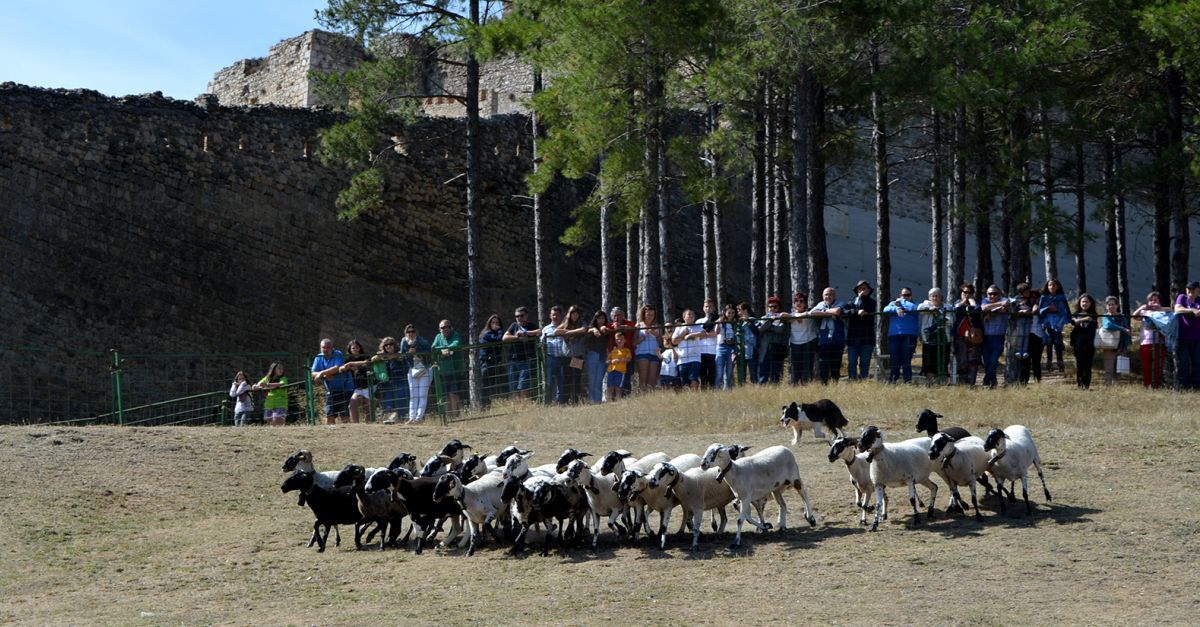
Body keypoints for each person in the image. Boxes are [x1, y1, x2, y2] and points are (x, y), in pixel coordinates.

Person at [503, 306, 541, 402]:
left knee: (523, 384)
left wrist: (526, 332)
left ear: (526, 316)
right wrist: (518, 337)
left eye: (521, 315)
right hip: (513, 359)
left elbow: (540, 331)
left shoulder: (531, 325)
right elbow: (504, 337)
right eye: (517, 316)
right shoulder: (514, 326)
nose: (519, 318)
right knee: (514, 384)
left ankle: (523, 404)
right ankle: (517, 405)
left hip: (526, 359)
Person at [311, 338, 352, 425]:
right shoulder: (318, 357)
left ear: (332, 347)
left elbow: (336, 368)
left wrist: (321, 373)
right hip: (331, 390)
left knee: (344, 414)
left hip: (344, 389)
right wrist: (323, 376)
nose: (326, 349)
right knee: (330, 415)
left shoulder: (338, 354)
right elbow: (313, 373)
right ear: (320, 348)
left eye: (328, 347)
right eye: (323, 347)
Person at [808, 287, 845, 384]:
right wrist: (828, 313)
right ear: (823, 296)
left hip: (837, 339)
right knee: (823, 364)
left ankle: (835, 384)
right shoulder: (820, 304)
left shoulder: (840, 303)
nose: (828, 297)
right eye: (826, 295)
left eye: (830, 294)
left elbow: (837, 311)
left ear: (834, 296)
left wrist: (822, 313)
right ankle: (824, 385)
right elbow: (811, 313)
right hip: (823, 340)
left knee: (836, 364)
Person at [882, 288, 919, 383]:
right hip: (894, 335)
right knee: (894, 358)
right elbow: (885, 309)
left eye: (908, 295)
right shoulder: (893, 303)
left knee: (906, 359)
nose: (905, 297)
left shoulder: (914, 304)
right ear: (900, 295)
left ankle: (907, 380)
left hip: (909, 335)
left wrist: (902, 303)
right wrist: (897, 307)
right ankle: (893, 379)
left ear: (911, 296)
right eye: (903, 295)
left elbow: (914, 309)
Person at [1132, 291, 1167, 389]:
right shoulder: (1144, 312)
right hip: (1145, 342)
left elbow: (1172, 310)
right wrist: (1141, 307)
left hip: (1159, 343)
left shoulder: (1163, 312)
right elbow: (1134, 316)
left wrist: (1160, 309)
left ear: (1160, 301)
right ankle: (1147, 385)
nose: (1152, 302)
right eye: (1151, 300)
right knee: (1146, 365)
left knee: (1158, 366)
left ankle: (1157, 385)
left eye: (1155, 300)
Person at [917, 288, 952, 383]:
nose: (935, 298)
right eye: (932, 296)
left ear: (941, 297)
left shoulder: (947, 307)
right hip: (929, 340)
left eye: (937, 296)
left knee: (943, 364)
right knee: (929, 364)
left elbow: (950, 321)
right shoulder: (925, 305)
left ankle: (942, 384)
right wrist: (930, 308)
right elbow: (919, 309)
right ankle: (930, 384)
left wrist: (938, 313)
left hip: (944, 340)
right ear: (929, 297)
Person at [979, 285, 1011, 388]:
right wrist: (998, 306)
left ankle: (986, 380)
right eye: (990, 294)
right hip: (985, 337)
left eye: (995, 294)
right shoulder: (985, 300)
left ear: (1000, 294)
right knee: (987, 362)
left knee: (993, 361)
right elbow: (984, 307)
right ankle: (993, 382)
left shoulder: (1005, 299)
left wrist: (991, 313)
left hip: (999, 336)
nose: (992, 296)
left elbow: (1005, 306)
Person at [399, 324, 432, 423]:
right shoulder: (403, 341)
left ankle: (419, 418)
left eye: (413, 331)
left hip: (425, 368)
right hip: (412, 369)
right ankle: (411, 417)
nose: (411, 334)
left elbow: (429, 352)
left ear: (416, 332)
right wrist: (409, 353)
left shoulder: (422, 341)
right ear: (405, 333)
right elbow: (402, 355)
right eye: (408, 332)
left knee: (422, 394)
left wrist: (417, 352)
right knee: (413, 395)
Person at [845, 280, 877, 381]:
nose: (862, 291)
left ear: (868, 291)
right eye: (860, 289)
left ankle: (864, 382)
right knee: (852, 363)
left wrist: (860, 304)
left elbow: (868, 309)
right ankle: (852, 382)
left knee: (865, 363)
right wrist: (856, 310)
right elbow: (845, 311)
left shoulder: (872, 302)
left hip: (867, 338)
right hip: (853, 339)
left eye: (864, 288)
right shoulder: (851, 302)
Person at [1005, 283, 1036, 385]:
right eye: (1026, 292)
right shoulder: (1017, 299)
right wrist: (1021, 311)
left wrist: (1029, 310)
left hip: (1028, 320)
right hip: (1020, 320)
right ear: (1021, 292)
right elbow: (1014, 309)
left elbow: (1032, 308)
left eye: (1028, 291)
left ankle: (1025, 351)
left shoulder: (1030, 300)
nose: (1028, 293)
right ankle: (1019, 350)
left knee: (1026, 335)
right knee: (1020, 335)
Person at [952, 283, 983, 386]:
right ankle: (962, 384)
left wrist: (971, 301)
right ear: (961, 293)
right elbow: (955, 309)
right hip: (960, 336)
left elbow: (978, 311)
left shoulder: (977, 303)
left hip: (974, 337)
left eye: (970, 293)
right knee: (962, 361)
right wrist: (963, 302)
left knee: (973, 362)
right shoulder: (957, 303)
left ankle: (971, 384)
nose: (967, 294)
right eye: (965, 292)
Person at [432, 319, 464, 417]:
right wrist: (442, 351)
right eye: (443, 327)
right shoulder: (438, 337)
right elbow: (433, 347)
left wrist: (446, 349)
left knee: (453, 394)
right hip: (442, 372)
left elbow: (456, 343)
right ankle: (448, 417)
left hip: (456, 370)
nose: (445, 329)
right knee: (445, 395)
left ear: (451, 327)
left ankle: (455, 417)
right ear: (439, 329)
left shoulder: (455, 335)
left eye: (447, 327)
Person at [374, 337, 409, 424]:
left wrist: (382, 356)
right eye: (386, 345)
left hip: (401, 382)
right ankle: (389, 423)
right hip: (387, 384)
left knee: (402, 405)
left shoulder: (400, 354)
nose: (388, 346)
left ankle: (403, 423)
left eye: (391, 344)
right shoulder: (381, 357)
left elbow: (400, 355)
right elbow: (373, 359)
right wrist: (379, 356)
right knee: (388, 405)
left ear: (395, 345)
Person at [558, 305, 588, 403]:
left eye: (576, 314)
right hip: (566, 356)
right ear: (569, 314)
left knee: (576, 379)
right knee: (566, 380)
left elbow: (583, 329)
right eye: (572, 314)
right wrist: (568, 332)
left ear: (579, 315)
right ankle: (564, 402)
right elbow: (556, 331)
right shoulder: (565, 323)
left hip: (577, 356)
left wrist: (569, 332)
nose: (574, 316)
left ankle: (576, 401)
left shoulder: (581, 323)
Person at [756, 296, 789, 384]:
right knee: (763, 375)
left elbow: (781, 329)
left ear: (779, 307)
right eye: (770, 306)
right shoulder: (763, 317)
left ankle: (775, 390)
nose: (772, 309)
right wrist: (770, 321)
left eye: (775, 306)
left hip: (777, 348)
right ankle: (762, 392)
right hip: (765, 349)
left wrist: (769, 327)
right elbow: (761, 329)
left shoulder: (782, 318)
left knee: (776, 374)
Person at [1174, 281, 1200, 390]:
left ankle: (1197, 387)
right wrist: (1192, 310)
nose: (1190, 291)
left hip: (1198, 338)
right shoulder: (1182, 298)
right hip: (1183, 337)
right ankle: (1183, 387)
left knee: (1197, 363)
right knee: (1183, 363)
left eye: (1193, 289)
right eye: (1188, 289)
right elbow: (1177, 309)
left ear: (1198, 290)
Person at [787, 292, 818, 385]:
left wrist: (801, 315)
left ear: (805, 303)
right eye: (796, 301)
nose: (798, 303)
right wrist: (797, 316)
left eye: (801, 301)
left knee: (807, 368)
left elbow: (814, 313)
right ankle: (795, 386)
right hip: (795, 343)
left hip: (808, 342)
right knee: (795, 367)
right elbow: (783, 316)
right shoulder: (791, 315)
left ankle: (806, 386)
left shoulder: (810, 312)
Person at [1100, 296, 1131, 386]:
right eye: (1109, 305)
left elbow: (1127, 330)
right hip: (1108, 346)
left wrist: (1126, 346)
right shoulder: (1105, 316)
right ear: (1106, 306)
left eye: (1113, 304)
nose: (1111, 306)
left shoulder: (1122, 317)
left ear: (1117, 305)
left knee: (1118, 369)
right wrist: (1122, 328)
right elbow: (1108, 325)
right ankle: (1108, 386)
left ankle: (1116, 387)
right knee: (1108, 369)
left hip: (1121, 346)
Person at [1039, 278, 1069, 372]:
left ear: (1058, 287)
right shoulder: (1043, 297)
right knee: (1049, 343)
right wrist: (1048, 308)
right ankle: (1049, 362)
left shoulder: (1061, 297)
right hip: (1047, 323)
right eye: (1049, 285)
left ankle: (1060, 362)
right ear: (1047, 287)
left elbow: (1065, 310)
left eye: (1054, 285)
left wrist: (1057, 310)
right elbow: (1040, 310)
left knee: (1057, 342)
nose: (1051, 287)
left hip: (1058, 323)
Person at [541, 305, 569, 404]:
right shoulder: (546, 329)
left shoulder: (566, 327)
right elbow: (542, 344)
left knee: (562, 382)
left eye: (557, 315)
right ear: (550, 316)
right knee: (550, 382)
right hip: (551, 359)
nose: (555, 317)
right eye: (553, 315)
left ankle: (561, 403)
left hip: (563, 358)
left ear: (560, 316)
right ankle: (548, 403)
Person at [1069, 294, 1098, 389]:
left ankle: (1086, 384)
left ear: (1090, 303)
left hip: (1089, 343)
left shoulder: (1094, 314)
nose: (1084, 303)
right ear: (1079, 303)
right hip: (1078, 343)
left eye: (1086, 302)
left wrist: (1079, 320)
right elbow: (1073, 322)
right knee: (1079, 365)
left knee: (1088, 365)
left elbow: (1092, 324)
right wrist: (1084, 318)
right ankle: (1079, 384)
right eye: (1083, 301)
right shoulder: (1076, 313)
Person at [607, 306, 637, 396]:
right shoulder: (610, 325)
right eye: (614, 316)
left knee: (626, 379)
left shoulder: (629, 323)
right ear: (612, 317)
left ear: (623, 315)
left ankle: (626, 398)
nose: (617, 318)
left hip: (627, 356)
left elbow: (633, 328)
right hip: (614, 359)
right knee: (613, 381)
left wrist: (621, 326)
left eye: (619, 315)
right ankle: (613, 399)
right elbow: (604, 329)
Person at [479, 314, 507, 407]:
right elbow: (499, 339)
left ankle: (489, 405)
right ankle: (484, 406)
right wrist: (499, 330)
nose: (495, 324)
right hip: (486, 363)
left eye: (497, 323)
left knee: (492, 384)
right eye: (493, 322)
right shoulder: (487, 333)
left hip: (494, 362)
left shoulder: (494, 333)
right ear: (489, 323)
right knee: (486, 385)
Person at [672, 309, 704, 390]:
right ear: (684, 317)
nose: (691, 316)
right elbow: (674, 341)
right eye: (689, 314)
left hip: (695, 358)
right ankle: (688, 398)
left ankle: (694, 395)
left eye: (693, 314)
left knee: (694, 378)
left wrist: (690, 335)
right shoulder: (679, 328)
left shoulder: (697, 326)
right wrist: (683, 335)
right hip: (682, 359)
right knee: (684, 382)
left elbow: (703, 334)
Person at [634, 304, 663, 393]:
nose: (650, 317)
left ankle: (649, 400)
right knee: (643, 378)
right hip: (642, 354)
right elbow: (634, 342)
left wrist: (657, 335)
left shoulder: (658, 326)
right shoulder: (638, 325)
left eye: (652, 315)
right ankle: (642, 397)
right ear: (644, 314)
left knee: (652, 380)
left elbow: (661, 343)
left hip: (655, 354)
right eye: (648, 314)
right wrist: (643, 337)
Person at [342, 339, 372, 423]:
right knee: (352, 405)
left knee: (368, 405)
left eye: (357, 347)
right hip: (357, 387)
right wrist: (350, 366)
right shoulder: (348, 358)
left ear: (360, 348)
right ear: (350, 350)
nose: (355, 349)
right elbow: (344, 367)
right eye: (353, 348)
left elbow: (367, 362)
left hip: (368, 386)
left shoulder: (365, 356)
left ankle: (370, 424)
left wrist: (353, 364)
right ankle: (356, 424)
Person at [584, 310, 611, 403]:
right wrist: (594, 329)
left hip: (603, 355)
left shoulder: (606, 329)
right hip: (592, 354)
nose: (601, 320)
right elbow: (587, 330)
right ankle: (591, 401)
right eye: (599, 318)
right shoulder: (591, 328)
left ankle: (598, 401)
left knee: (599, 380)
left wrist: (604, 328)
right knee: (592, 379)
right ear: (596, 319)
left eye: (603, 318)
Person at [696, 298, 720, 388]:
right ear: (703, 308)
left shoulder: (717, 320)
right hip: (700, 351)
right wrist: (709, 334)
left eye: (710, 306)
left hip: (713, 351)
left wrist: (704, 335)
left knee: (712, 374)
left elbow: (718, 333)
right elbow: (696, 335)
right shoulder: (698, 321)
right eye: (706, 306)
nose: (708, 308)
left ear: (714, 308)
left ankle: (712, 392)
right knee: (702, 375)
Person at [255, 362, 288, 426]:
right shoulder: (267, 378)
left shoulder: (283, 378)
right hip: (269, 404)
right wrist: (255, 386)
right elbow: (259, 384)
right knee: (269, 424)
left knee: (277, 423)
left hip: (280, 404)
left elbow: (281, 384)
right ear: (273, 369)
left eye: (282, 368)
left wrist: (267, 385)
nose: (281, 370)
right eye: (279, 368)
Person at [715, 304, 739, 390]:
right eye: (729, 313)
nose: (731, 315)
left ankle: (727, 390)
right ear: (725, 313)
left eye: (733, 313)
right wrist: (719, 321)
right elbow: (716, 332)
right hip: (721, 347)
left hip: (731, 348)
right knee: (719, 372)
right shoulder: (721, 322)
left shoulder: (735, 323)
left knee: (729, 372)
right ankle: (716, 390)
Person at [736, 302, 760, 385]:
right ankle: (741, 387)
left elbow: (757, 332)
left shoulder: (753, 320)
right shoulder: (739, 321)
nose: (738, 312)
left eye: (739, 310)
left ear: (745, 310)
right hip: (741, 350)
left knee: (753, 372)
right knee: (741, 373)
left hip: (752, 350)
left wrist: (749, 322)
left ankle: (756, 388)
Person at [1025, 288, 1045, 383]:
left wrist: (1036, 305)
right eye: (1031, 297)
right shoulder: (1025, 306)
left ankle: (1038, 380)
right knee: (1026, 359)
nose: (1033, 299)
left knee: (1036, 360)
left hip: (1039, 336)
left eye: (1036, 297)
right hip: (1027, 336)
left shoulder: (1042, 307)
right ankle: (1024, 380)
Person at [606, 331, 632, 401]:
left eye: (621, 339)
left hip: (620, 372)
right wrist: (611, 361)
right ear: (615, 340)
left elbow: (629, 359)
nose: (619, 341)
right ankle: (608, 402)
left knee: (618, 388)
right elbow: (607, 361)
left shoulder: (627, 350)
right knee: (610, 388)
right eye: (617, 339)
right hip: (611, 371)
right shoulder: (613, 351)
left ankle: (618, 402)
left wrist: (620, 360)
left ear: (625, 340)